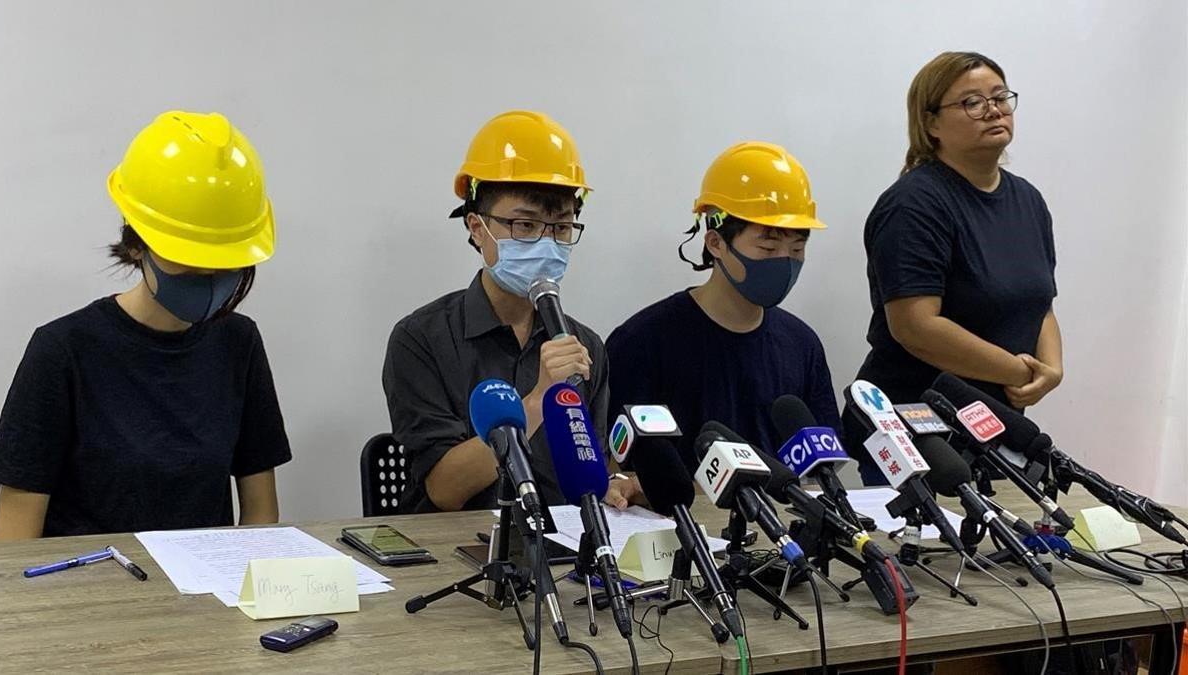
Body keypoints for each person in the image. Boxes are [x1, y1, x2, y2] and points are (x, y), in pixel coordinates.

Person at [0, 111, 291, 539]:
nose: (208, 274)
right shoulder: (62, 351)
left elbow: (261, 515)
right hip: (91, 594)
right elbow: (15, 544)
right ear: (136, 245)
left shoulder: (238, 343)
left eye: (224, 258)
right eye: (187, 255)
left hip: (206, 595)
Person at [384, 110, 641, 513]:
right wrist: (539, 399)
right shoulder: (422, 338)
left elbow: (591, 471)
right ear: (476, 227)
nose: (546, 242)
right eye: (524, 225)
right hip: (456, 552)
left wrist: (617, 485)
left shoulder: (582, 345)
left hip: (564, 554)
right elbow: (444, 490)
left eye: (561, 227)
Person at [845, 51, 1061, 485]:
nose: (994, 110)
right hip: (916, 429)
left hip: (994, 427)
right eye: (972, 102)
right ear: (931, 125)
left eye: (1000, 97)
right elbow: (917, 327)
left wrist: (1051, 370)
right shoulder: (914, 204)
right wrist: (1020, 372)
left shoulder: (1028, 200)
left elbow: (1040, 301)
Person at [607, 142, 841, 472]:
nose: (784, 262)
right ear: (715, 243)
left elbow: (821, 466)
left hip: (784, 520)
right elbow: (617, 466)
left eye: (797, 248)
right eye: (768, 246)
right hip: (679, 522)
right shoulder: (642, 341)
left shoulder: (802, 344)